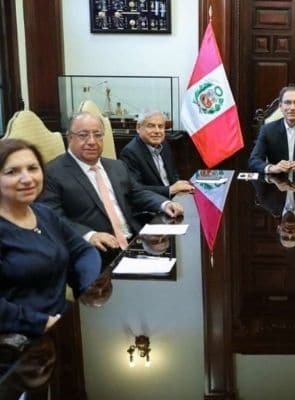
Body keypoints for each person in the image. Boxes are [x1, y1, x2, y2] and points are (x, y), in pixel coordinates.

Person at [39, 112, 184, 263]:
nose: (92, 141)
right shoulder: (52, 173)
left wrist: (165, 204)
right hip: (96, 252)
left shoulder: (116, 166)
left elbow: (138, 193)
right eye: (83, 135)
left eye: (98, 135)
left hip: (135, 241)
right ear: (70, 138)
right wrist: (89, 235)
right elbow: (52, 217)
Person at [0, 139, 101, 338]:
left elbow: (84, 251)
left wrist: (87, 287)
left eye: (33, 168)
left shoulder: (44, 213)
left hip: (63, 319)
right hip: (21, 338)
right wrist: (43, 323)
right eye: (12, 172)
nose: (27, 179)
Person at [119, 109, 194, 197]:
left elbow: (173, 174)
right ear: (138, 128)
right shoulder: (130, 152)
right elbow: (136, 189)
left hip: (173, 196)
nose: (157, 131)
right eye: (151, 126)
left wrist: (180, 185)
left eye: (160, 126)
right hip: (152, 202)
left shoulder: (164, 144)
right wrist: (170, 190)